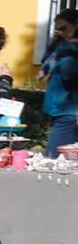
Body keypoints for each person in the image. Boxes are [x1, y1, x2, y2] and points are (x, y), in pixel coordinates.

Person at [42, 9, 78, 154]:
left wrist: (65, 48)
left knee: (52, 159)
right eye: (58, 31)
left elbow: (68, 73)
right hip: (58, 112)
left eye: (64, 29)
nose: (61, 33)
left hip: (70, 113)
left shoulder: (70, 49)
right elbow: (44, 65)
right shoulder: (61, 46)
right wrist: (57, 46)